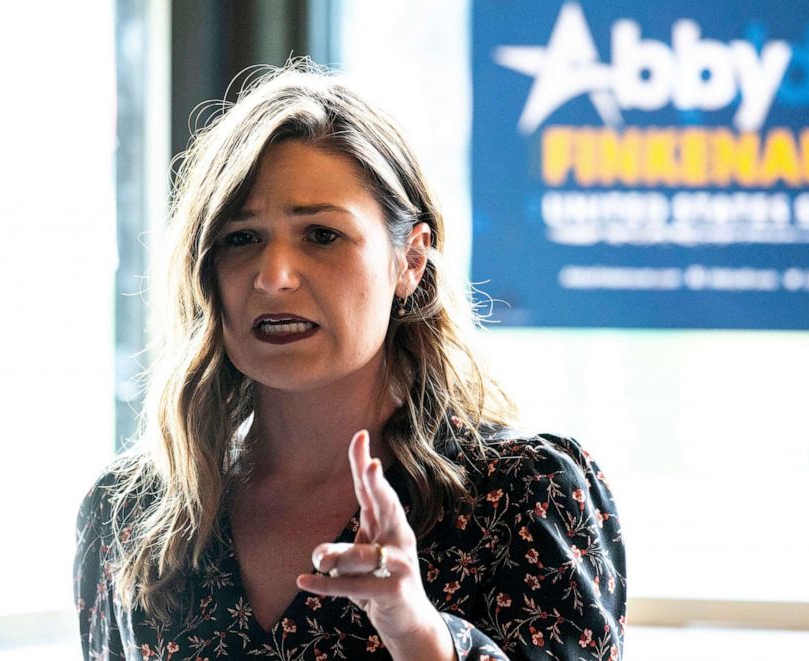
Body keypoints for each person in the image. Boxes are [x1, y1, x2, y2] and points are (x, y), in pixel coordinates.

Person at [75, 63, 626, 660]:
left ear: (410, 260)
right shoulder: (130, 514)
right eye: (242, 238)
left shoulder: (522, 492)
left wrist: (416, 633)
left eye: (321, 235)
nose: (274, 277)